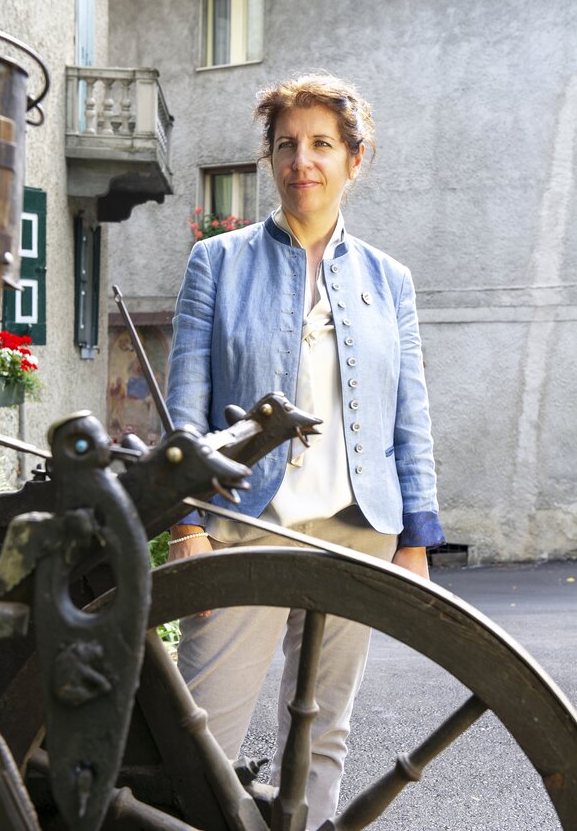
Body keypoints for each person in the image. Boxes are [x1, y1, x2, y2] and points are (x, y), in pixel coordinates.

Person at [165, 73, 445, 828]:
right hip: (239, 525)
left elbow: (407, 416)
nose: (302, 161)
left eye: (322, 144)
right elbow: (185, 408)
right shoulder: (216, 263)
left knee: (323, 735)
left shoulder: (391, 282)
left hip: (357, 531)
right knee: (199, 738)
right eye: (286, 145)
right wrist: (186, 526)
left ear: (357, 159)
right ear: (269, 158)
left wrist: (416, 540)